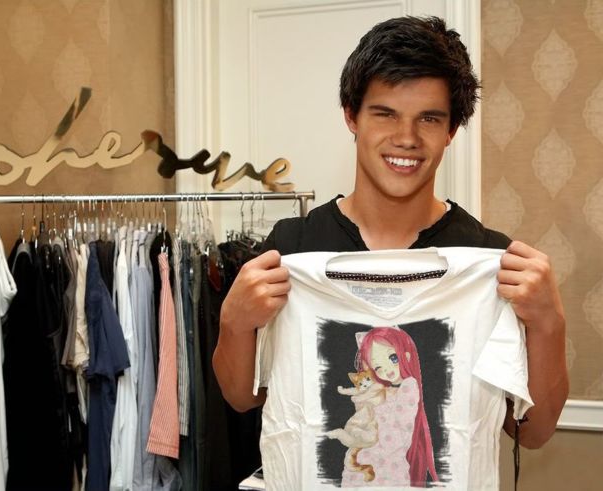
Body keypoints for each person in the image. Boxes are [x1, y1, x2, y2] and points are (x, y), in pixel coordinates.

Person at [213, 15, 568, 451]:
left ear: (451, 131)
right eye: (385, 114)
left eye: (429, 119)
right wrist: (234, 322)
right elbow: (242, 397)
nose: (406, 138)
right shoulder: (292, 249)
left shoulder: (490, 260)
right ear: (352, 116)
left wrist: (549, 323)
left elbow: (532, 433)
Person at [335, 327, 438, 487]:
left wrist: (366, 439)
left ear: (406, 356)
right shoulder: (384, 390)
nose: (386, 370)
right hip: (363, 465)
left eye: (393, 357)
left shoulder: (409, 386)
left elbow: (396, 437)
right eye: (378, 367)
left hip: (386, 469)